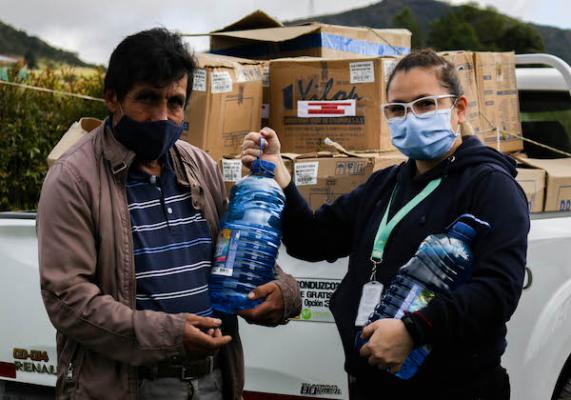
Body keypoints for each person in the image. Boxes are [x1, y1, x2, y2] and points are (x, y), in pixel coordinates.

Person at [241, 49, 529, 399]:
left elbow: (498, 292)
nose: (411, 117)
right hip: (371, 384)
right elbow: (312, 241)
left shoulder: (490, 186)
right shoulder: (385, 184)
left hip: (455, 388)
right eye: (397, 109)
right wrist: (281, 179)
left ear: (459, 109)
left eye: (425, 104)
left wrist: (414, 331)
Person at [37, 28, 301, 400]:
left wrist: (283, 291)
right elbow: (68, 298)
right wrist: (168, 335)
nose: (162, 116)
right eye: (147, 98)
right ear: (112, 98)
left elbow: (233, 249)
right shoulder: (73, 179)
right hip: (129, 385)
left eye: (175, 102)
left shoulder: (199, 166)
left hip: (213, 379)